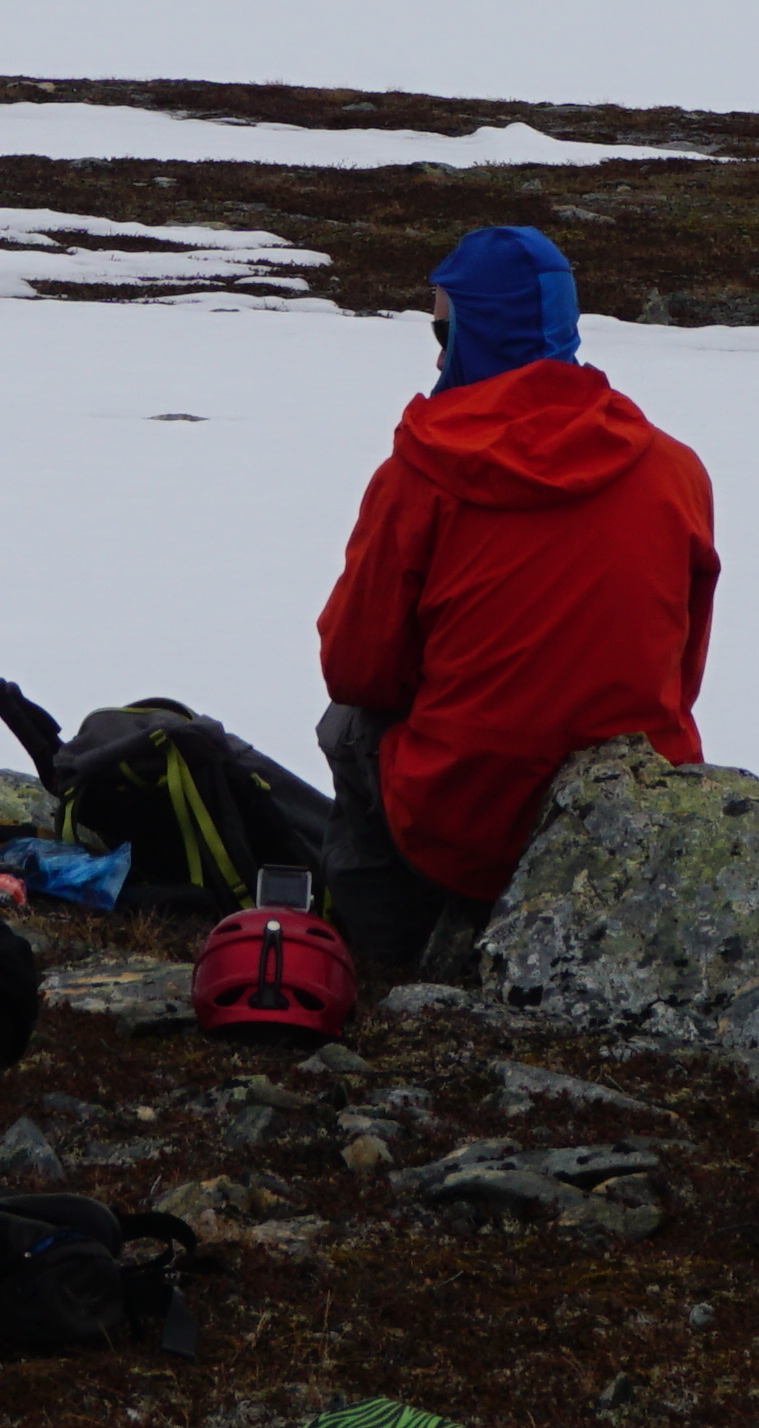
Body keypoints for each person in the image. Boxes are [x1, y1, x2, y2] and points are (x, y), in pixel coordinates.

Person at [311, 223, 717, 972]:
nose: (437, 356)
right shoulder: (674, 470)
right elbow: (680, 669)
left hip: (463, 819)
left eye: (444, 329)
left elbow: (357, 670)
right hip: (636, 806)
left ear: (479, 330)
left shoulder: (421, 474)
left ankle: (385, 973)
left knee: (348, 727)